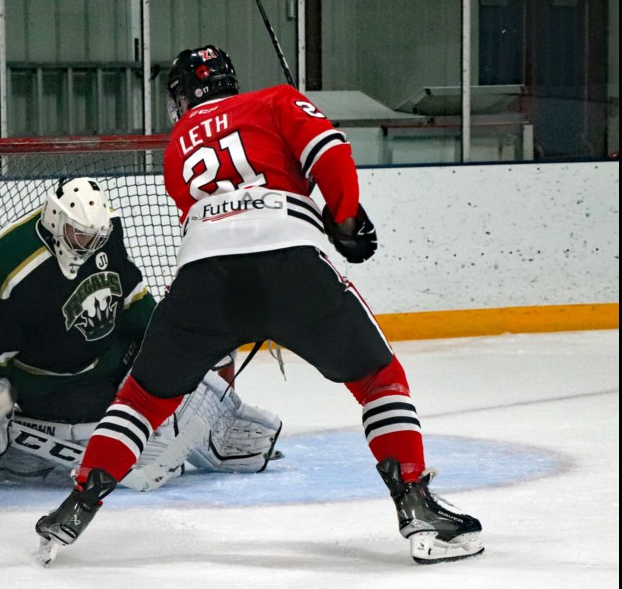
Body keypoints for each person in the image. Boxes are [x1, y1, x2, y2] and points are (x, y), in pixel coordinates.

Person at [35, 45, 484, 565]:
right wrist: (343, 218)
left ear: (181, 96)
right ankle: (417, 507)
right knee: (379, 380)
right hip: (292, 265)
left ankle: (78, 503)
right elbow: (331, 156)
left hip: (203, 278)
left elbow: (217, 212)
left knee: (141, 399)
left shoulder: (178, 143)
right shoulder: (276, 100)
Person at [0, 176, 282, 490]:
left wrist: (175, 339)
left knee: (183, 372)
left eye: (96, 236)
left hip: (111, 359)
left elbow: (129, 296)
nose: (90, 245)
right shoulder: (11, 264)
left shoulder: (105, 230)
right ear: (57, 222)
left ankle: (211, 432)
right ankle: (19, 460)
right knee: (143, 450)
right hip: (54, 388)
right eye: (81, 236)